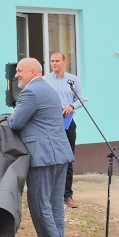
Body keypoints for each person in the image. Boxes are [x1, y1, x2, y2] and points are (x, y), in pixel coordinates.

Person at [8, 58, 74, 237]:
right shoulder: (48, 89)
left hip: (42, 156)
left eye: (20, 71)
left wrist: (12, 115)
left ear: (33, 73)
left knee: (39, 204)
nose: (16, 74)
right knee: (54, 204)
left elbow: (16, 122)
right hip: (59, 154)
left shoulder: (31, 92)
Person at [42, 51, 82, 208]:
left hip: (66, 122)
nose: (54, 63)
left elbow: (80, 100)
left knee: (67, 158)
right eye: (52, 61)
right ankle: (51, 194)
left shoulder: (73, 80)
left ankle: (67, 194)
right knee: (51, 157)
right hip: (50, 123)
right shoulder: (45, 80)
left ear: (64, 62)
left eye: (57, 60)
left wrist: (71, 106)